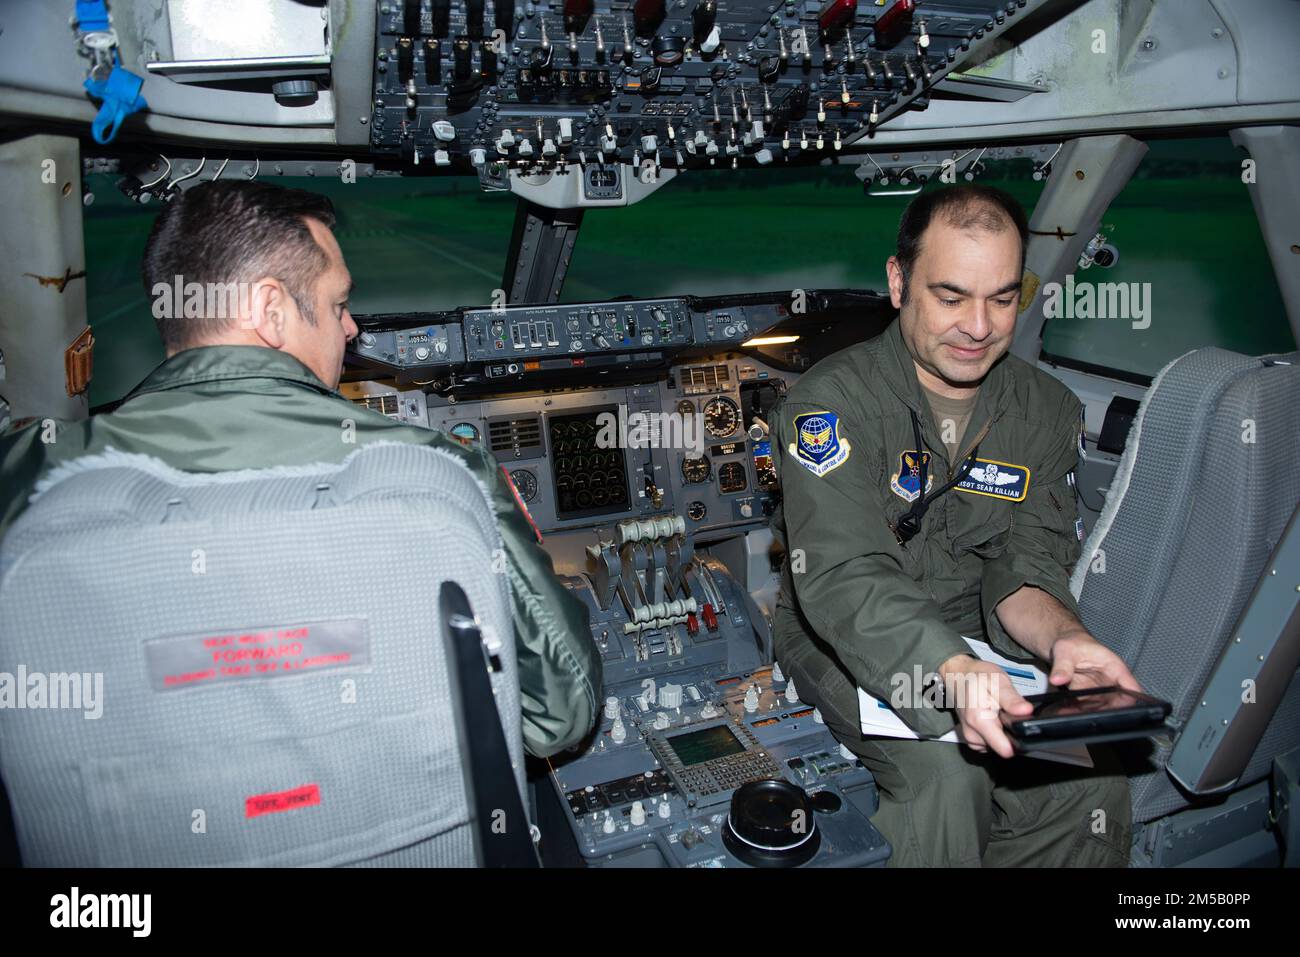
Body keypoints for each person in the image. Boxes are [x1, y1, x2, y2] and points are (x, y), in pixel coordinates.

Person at [0, 179, 600, 759]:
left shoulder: (33, 476)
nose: (352, 327)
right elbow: (561, 713)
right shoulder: (441, 472)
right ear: (271, 310)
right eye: (339, 304)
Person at [770, 184, 1137, 867]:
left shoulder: (1047, 410)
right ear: (898, 280)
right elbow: (847, 576)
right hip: (841, 634)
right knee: (946, 776)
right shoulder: (828, 404)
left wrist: (1067, 640)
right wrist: (951, 667)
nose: (979, 325)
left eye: (1002, 297)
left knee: (1094, 775)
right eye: (951, 295)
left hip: (979, 635)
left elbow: (1026, 566)